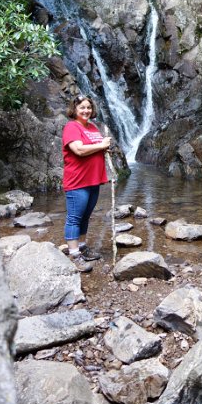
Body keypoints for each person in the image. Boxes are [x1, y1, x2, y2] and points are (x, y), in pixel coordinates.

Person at [62, 94, 111, 272]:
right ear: (74, 110)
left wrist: (105, 148)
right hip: (78, 181)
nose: (86, 110)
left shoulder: (92, 127)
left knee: (85, 216)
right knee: (74, 217)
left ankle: (82, 247)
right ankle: (74, 255)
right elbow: (79, 150)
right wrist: (101, 146)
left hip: (93, 180)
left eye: (88, 107)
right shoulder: (71, 127)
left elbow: (97, 147)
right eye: (82, 107)